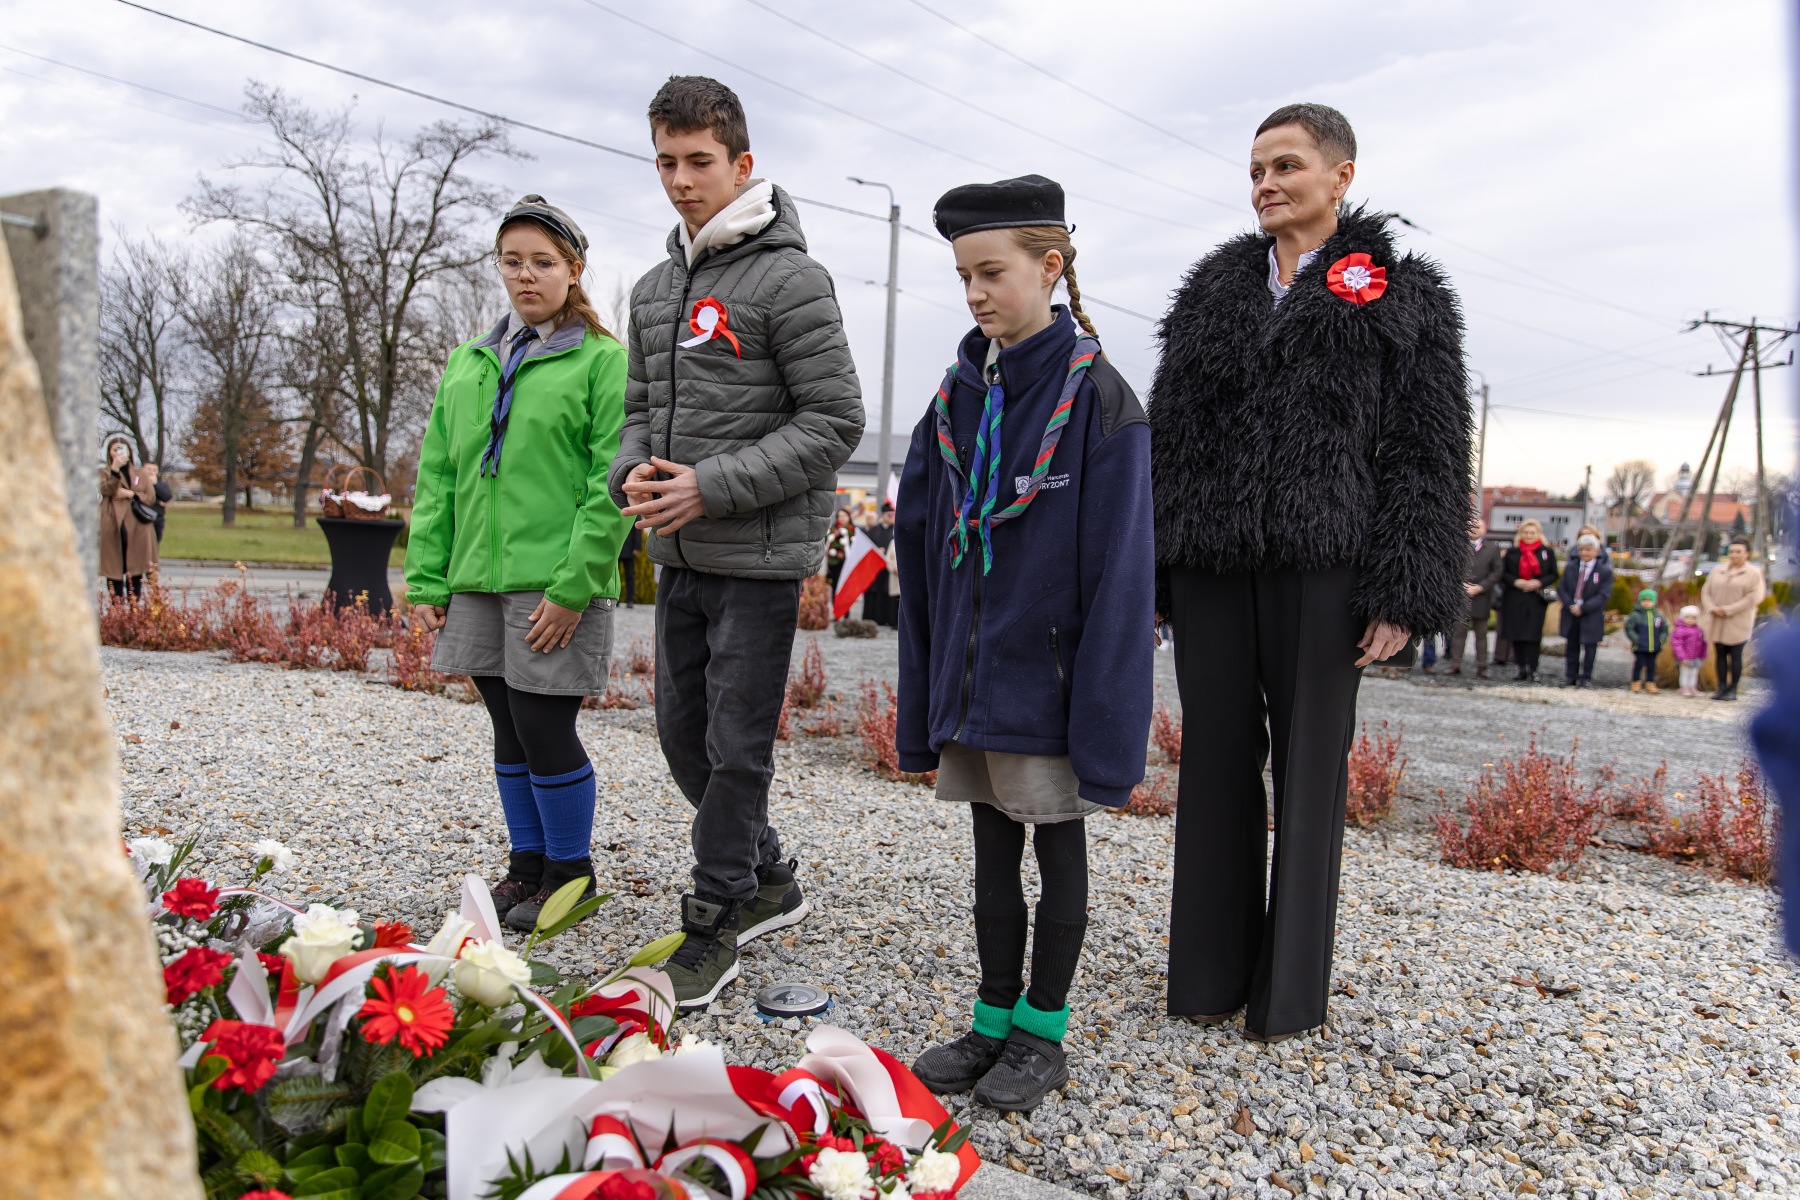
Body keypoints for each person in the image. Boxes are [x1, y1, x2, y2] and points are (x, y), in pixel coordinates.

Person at [1149, 104, 1471, 1042]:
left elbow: (1429, 451)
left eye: (1286, 166)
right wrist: (1159, 570)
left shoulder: (1401, 293)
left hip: (1328, 569)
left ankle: (1287, 994)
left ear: (1341, 176)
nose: (1266, 184)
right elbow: (1170, 436)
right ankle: (1207, 977)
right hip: (1212, 562)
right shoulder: (1214, 289)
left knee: (1309, 773)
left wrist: (1405, 590)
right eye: (1256, 170)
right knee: (1214, 763)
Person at [897, 174, 1153, 1110]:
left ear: (1050, 268)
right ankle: (992, 1016)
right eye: (963, 275)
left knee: (1059, 851)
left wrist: (1105, 725)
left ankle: (1044, 1030)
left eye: (992, 273)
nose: (975, 293)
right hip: (975, 689)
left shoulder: (1100, 401)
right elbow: (920, 554)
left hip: (1048, 690)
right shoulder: (953, 399)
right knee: (990, 854)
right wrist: (927, 693)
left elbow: (1122, 576)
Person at [609, 77, 863, 1009]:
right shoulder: (653, 289)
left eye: (699, 162)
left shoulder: (791, 280)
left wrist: (708, 486)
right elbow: (639, 410)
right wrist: (631, 473)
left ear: (742, 163)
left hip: (757, 557)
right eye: (666, 162)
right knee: (683, 737)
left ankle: (714, 923)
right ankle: (770, 877)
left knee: (735, 745)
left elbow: (834, 420)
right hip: (678, 555)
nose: (681, 180)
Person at [405, 195, 629, 932]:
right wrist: (428, 576)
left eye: (542, 262)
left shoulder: (603, 363)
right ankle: (527, 866)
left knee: (543, 726)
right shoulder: (469, 363)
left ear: (574, 269)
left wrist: (574, 588)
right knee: (507, 726)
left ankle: (571, 876)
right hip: (476, 576)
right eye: (512, 261)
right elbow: (439, 475)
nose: (526, 275)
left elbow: (611, 485)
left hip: (553, 582)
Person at [1700, 535, 1766, 701]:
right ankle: (1721, 687)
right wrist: (1711, 607)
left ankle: (1733, 689)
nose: (1734, 555)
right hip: (1717, 618)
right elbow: (1706, 591)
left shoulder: (1753, 573)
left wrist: (1728, 610)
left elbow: (1753, 597)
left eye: (1738, 551)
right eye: (1732, 551)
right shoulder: (1718, 570)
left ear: (1747, 554)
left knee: (1735, 654)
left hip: (1738, 620)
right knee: (1720, 653)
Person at [100, 436, 158, 600]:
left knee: (136, 568)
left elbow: (150, 498)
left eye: (122, 449)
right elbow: (106, 490)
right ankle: (117, 607)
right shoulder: (104, 473)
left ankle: (134, 607)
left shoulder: (140, 473)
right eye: (115, 449)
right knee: (114, 569)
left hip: (137, 524)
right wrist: (115, 470)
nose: (119, 453)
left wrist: (131, 494)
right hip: (113, 524)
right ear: (109, 453)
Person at [1499, 520, 1557, 682]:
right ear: (1521, 534)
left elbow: (1553, 573)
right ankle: (1521, 668)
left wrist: (1538, 582)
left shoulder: (1546, 552)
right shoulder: (1512, 552)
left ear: (1538, 534)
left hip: (1536, 598)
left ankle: (1533, 668)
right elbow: (1503, 573)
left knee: (1533, 635)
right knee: (1516, 633)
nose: (1529, 535)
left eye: (1532, 533)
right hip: (1515, 596)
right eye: (1526, 532)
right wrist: (1516, 582)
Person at [1446, 513, 1502, 678]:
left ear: (1485, 529)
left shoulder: (1492, 549)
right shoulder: (1458, 546)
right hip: (1461, 596)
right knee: (1458, 633)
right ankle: (1455, 664)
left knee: (1481, 634)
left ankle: (1482, 666)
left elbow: (1497, 571)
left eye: (1478, 527)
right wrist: (1460, 585)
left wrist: (1481, 587)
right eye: (1471, 526)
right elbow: (1450, 568)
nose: (1474, 529)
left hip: (1482, 597)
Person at [1556, 534, 1612, 688]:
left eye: (1588, 550)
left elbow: (1603, 594)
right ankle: (1570, 676)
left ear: (1596, 551)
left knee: (1590, 647)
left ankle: (1586, 677)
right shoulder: (1571, 568)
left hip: (1591, 614)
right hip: (1571, 612)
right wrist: (1571, 605)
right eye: (1582, 549)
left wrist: (1583, 607)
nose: (1585, 553)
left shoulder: (1604, 571)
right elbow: (1562, 588)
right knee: (1572, 646)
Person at [1624, 588, 1668, 693]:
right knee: (1639, 664)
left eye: (1649, 600)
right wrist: (1636, 639)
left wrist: (1661, 640)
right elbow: (1629, 628)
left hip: (1654, 646)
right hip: (1639, 646)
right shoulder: (1635, 615)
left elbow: (1664, 629)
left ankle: (1650, 682)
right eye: (1644, 600)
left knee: (1651, 665)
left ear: (1654, 602)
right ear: (1640, 601)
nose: (1647, 603)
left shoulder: (1658, 616)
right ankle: (1636, 681)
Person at [861, 502, 896, 627]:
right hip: (875, 568)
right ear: (883, 515)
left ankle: (890, 619)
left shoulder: (896, 530)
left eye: (893, 515)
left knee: (889, 592)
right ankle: (875, 618)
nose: (891, 517)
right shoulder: (874, 530)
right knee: (875, 592)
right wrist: (876, 551)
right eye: (889, 515)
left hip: (890, 568)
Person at [1672, 604, 1708, 697]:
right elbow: (1677, 644)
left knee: (1694, 673)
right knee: (1685, 672)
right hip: (1685, 657)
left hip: (1696, 657)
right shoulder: (1680, 630)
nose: (1690, 620)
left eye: (1693, 618)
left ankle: (1692, 687)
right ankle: (1684, 687)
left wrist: (1703, 655)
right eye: (1688, 617)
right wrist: (1682, 657)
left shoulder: (1699, 630)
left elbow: (1703, 643)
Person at [825, 505, 853, 589]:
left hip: (850, 564)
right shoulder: (833, 531)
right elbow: (828, 544)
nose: (842, 518)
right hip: (835, 563)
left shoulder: (853, 530)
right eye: (840, 516)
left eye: (844, 515)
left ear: (849, 517)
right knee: (836, 585)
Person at [618, 521, 644, 609]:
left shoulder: (635, 513)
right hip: (617, 548)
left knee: (630, 576)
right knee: (616, 576)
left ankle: (630, 600)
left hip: (629, 549)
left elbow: (638, 529)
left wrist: (636, 547)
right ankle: (616, 599)